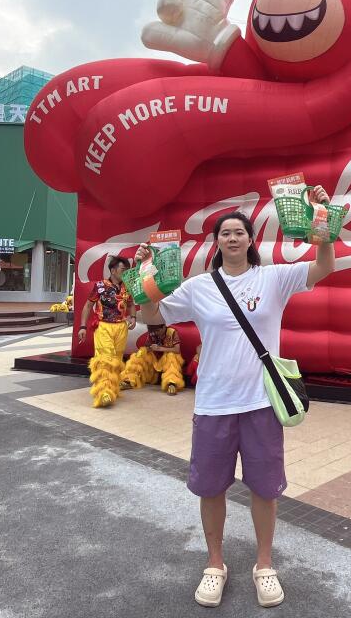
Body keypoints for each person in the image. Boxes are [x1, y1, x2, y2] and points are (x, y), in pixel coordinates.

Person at [135, 186, 336, 608]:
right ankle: (215, 565)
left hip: (262, 404)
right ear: (216, 243)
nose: (232, 238)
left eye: (238, 232)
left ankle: (264, 566)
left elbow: (324, 266)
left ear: (250, 240)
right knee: (211, 488)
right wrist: (144, 278)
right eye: (225, 233)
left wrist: (322, 221)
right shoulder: (199, 287)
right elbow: (152, 316)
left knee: (265, 489)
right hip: (213, 404)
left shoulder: (273, 278)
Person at [78, 256, 136, 408]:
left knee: (116, 359)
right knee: (105, 359)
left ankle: (113, 387)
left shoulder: (127, 287)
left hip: (121, 327)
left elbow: (131, 304)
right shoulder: (100, 286)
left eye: (127, 270)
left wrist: (133, 317)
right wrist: (83, 327)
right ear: (113, 270)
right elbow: (88, 306)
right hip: (103, 326)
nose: (125, 272)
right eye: (123, 270)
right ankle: (103, 392)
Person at [120, 323, 186, 395]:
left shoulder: (172, 332)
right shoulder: (152, 333)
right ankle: (129, 380)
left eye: (157, 330)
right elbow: (147, 347)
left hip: (167, 360)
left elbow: (177, 350)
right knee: (140, 354)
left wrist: (159, 348)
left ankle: (172, 383)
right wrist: (147, 349)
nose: (155, 333)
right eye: (153, 331)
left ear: (164, 327)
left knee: (171, 356)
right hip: (155, 361)